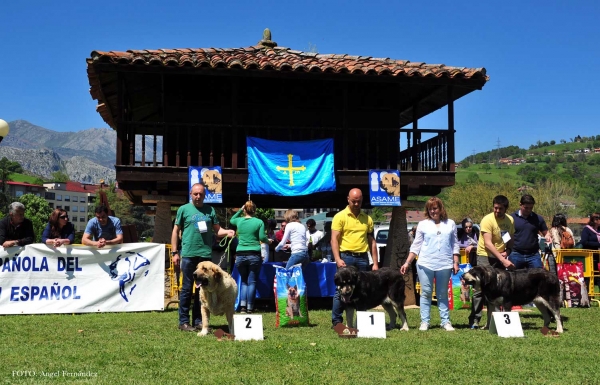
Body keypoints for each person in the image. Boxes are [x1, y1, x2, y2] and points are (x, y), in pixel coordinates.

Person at [171, 183, 235, 331]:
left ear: (205, 195)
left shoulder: (210, 210)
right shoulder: (183, 209)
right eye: (195, 194)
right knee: (187, 288)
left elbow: (217, 231)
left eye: (200, 194)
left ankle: (199, 322)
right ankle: (184, 322)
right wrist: (175, 252)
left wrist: (228, 232)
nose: (198, 196)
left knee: (202, 291)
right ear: (191, 194)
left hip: (205, 256)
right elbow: (175, 232)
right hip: (188, 254)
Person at [400, 197, 460, 332]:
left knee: (442, 293)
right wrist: (407, 262)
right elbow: (416, 246)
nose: (433, 211)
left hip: (445, 264)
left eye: (435, 208)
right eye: (430, 209)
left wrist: (455, 262)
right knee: (426, 292)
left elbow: (455, 244)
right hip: (425, 263)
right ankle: (424, 321)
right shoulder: (422, 224)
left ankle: (445, 321)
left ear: (440, 209)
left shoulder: (450, 224)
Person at [331, 188, 379, 327]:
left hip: (363, 258)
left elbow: (372, 242)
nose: (356, 204)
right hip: (345, 258)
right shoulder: (340, 216)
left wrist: (375, 263)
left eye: (358, 201)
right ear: (348, 199)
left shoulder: (367, 218)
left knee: (362, 290)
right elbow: (334, 239)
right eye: (353, 201)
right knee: (340, 291)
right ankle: (337, 321)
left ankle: (362, 322)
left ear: (362, 200)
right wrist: (337, 258)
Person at [468, 195, 515, 329]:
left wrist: (508, 251)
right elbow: (488, 243)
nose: (497, 211)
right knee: (479, 289)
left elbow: (510, 238)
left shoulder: (510, 220)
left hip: (500, 256)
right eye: (495, 208)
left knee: (497, 289)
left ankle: (494, 322)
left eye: (500, 208)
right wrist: (503, 260)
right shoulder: (487, 220)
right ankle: (475, 320)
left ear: (506, 208)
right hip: (485, 256)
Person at [230, 200, 271, 314]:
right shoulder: (259, 222)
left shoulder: (239, 221)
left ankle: (242, 306)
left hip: (240, 255)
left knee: (243, 281)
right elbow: (262, 237)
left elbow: (231, 220)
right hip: (254, 254)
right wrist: (269, 241)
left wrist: (240, 211)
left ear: (245, 209)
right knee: (252, 282)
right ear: (255, 210)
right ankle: (249, 307)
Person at [508, 195, 551, 269]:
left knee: (538, 277)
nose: (528, 210)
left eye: (531, 208)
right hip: (516, 253)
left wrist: (548, 237)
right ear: (520, 204)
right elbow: (505, 234)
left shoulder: (538, 219)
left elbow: (546, 232)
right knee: (514, 278)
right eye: (526, 208)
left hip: (533, 255)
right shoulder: (511, 218)